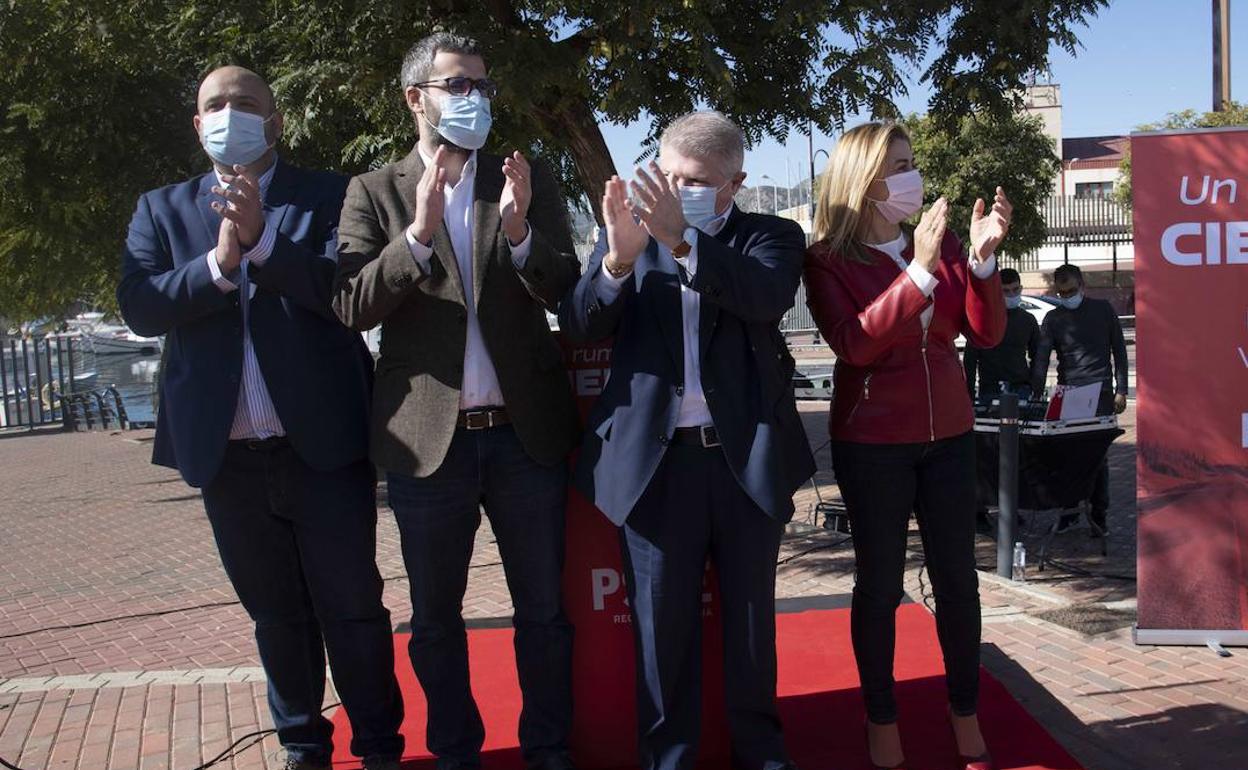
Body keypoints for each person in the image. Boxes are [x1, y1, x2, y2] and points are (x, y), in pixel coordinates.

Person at [116, 66, 403, 770]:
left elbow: (349, 292)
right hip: (228, 456)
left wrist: (265, 242)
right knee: (275, 615)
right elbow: (140, 305)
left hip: (324, 448)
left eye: (246, 103)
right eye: (215, 104)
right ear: (197, 124)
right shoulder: (161, 209)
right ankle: (303, 746)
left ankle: (380, 747)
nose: (230, 114)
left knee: (352, 607)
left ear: (274, 121)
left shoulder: (333, 195)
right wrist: (219, 264)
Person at [333, 33, 580, 770]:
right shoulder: (374, 192)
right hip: (427, 442)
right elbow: (351, 303)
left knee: (544, 612)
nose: (475, 98)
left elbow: (565, 289)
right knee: (436, 620)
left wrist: (520, 232)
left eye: (482, 85)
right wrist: (416, 234)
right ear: (417, 98)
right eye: (458, 85)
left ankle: (549, 749)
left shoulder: (523, 177)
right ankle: (455, 752)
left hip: (524, 438)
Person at [560, 111, 815, 770]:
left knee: (751, 630)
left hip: (745, 464)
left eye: (695, 182)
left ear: (736, 183)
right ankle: (668, 759)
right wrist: (616, 261)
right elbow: (582, 322)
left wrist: (683, 243)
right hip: (656, 468)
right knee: (660, 636)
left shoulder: (771, 236)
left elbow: (764, 297)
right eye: (669, 177)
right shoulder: (627, 233)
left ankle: (762, 757)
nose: (676, 193)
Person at [803, 122, 1010, 770]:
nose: (912, 175)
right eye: (898, 165)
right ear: (863, 178)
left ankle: (965, 709)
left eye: (911, 161)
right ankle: (882, 716)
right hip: (873, 440)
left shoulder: (941, 240)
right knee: (880, 583)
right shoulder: (827, 258)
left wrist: (981, 263)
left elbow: (986, 334)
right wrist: (918, 272)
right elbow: (855, 344)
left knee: (958, 579)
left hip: (950, 434)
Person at [1031, 264, 1128, 535]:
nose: (1067, 297)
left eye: (1071, 291)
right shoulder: (1053, 318)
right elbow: (1041, 358)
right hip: (1069, 393)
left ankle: (1099, 515)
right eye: (1062, 293)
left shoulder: (1103, 310)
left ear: (1082, 285)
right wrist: (1036, 391)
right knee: (1068, 456)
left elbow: (1119, 350)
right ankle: (1070, 512)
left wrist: (1121, 389)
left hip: (1101, 393)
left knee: (1099, 457)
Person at [964, 268, 1039, 402]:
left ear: (1021, 288)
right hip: (990, 388)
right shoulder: (983, 319)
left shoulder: (1028, 320)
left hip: (1021, 387)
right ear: (997, 291)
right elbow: (970, 359)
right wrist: (969, 393)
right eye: (1006, 291)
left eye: (1015, 289)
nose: (1012, 295)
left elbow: (1037, 356)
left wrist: (1035, 387)